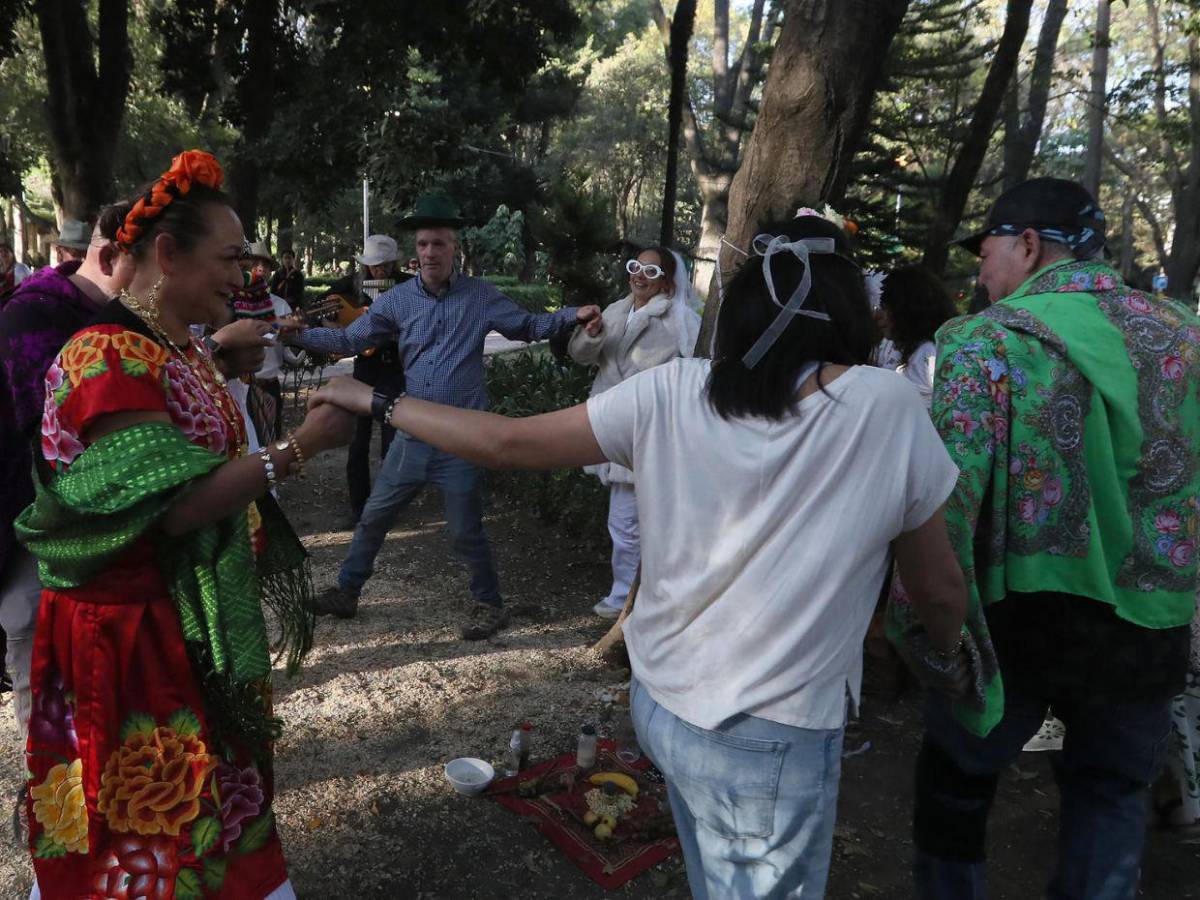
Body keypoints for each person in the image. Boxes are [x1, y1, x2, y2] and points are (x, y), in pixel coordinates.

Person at [310, 213, 968, 896]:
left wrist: (371, 398)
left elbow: (506, 441)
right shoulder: (884, 405)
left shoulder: (675, 388)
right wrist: (950, 661)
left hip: (660, 704)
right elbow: (939, 589)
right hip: (773, 729)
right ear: (851, 313)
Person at [16, 150, 353, 900]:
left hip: (177, 618)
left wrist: (219, 362)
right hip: (127, 637)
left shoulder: (175, 345)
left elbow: (182, 434)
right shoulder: (106, 354)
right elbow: (177, 507)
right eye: (230, 258)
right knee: (142, 820)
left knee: (195, 809)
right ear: (167, 254)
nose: (244, 275)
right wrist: (301, 446)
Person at [899, 178, 1200, 899]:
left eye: (987, 252)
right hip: (1148, 624)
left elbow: (948, 500)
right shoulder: (1184, 334)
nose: (981, 271)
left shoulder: (984, 340)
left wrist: (927, 627)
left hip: (1018, 622)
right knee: (1111, 794)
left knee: (956, 787)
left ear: (1029, 244)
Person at [288, 193, 602, 639]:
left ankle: (489, 604)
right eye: (423, 244)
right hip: (414, 433)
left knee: (464, 531)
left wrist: (573, 314)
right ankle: (347, 591)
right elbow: (349, 341)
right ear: (415, 251)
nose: (430, 252)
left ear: (454, 248)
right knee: (374, 516)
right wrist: (297, 335)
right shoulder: (397, 301)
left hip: (463, 439)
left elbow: (529, 326)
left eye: (438, 244)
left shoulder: (480, 296)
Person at [0, 204, 136, 755]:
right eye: (154, 266)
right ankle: (51, 782)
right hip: (29, 519)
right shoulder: (34, 314)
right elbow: (59, 429)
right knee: (37, 643)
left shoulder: (115, 312)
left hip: (92, 530)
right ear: (111, 257)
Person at [568, 245, 700, 619]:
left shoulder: (680, 319)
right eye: (635, 267)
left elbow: (698, 370)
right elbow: (582, 356)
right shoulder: (615, 310)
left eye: (651, 271)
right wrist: (592, 335)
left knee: (629, 520)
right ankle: (634, 594)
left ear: (668, 281)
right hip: (611, 423)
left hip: (652, 428)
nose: (640, 276)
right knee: (628, 520)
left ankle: (629, 597)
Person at [317, 234, 411, 528]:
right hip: (365, 371)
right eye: (374, 265)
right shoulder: (352, 285)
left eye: (385, 265)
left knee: (392, 445)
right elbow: (322, 305)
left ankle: (388, 507)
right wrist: (335, 318)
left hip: (396, 371)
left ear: (393, 264)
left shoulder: (409, 285)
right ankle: (358, 508)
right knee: (358, 442)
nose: (379, 271)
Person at [876, 266, 959, 408]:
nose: (878, 316)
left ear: (905, 310)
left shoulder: (928, 353)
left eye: (884, 308)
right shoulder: (893, 345)